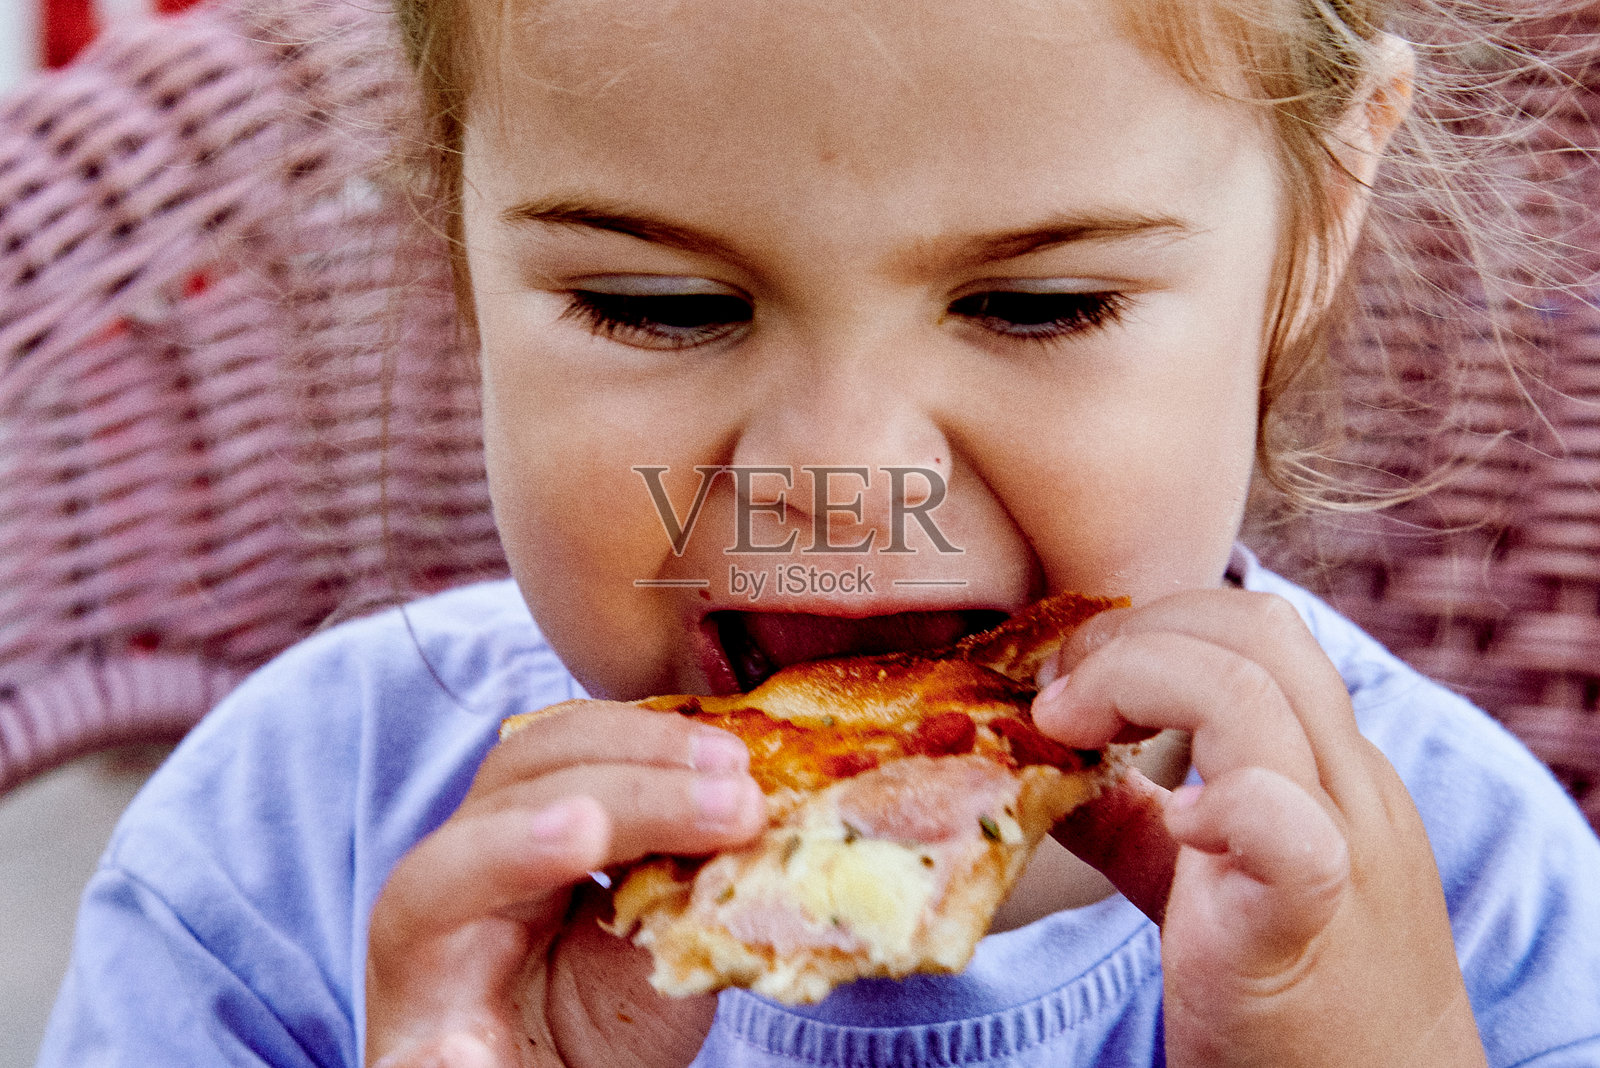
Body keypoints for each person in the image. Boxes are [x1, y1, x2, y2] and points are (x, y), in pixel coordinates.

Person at [35, 0, 1600, 1065]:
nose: (839, 474)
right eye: (661, 305)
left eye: (1037, 303)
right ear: (454, 224)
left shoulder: (1471, 903)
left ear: (1318, 222)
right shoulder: (273, 863)